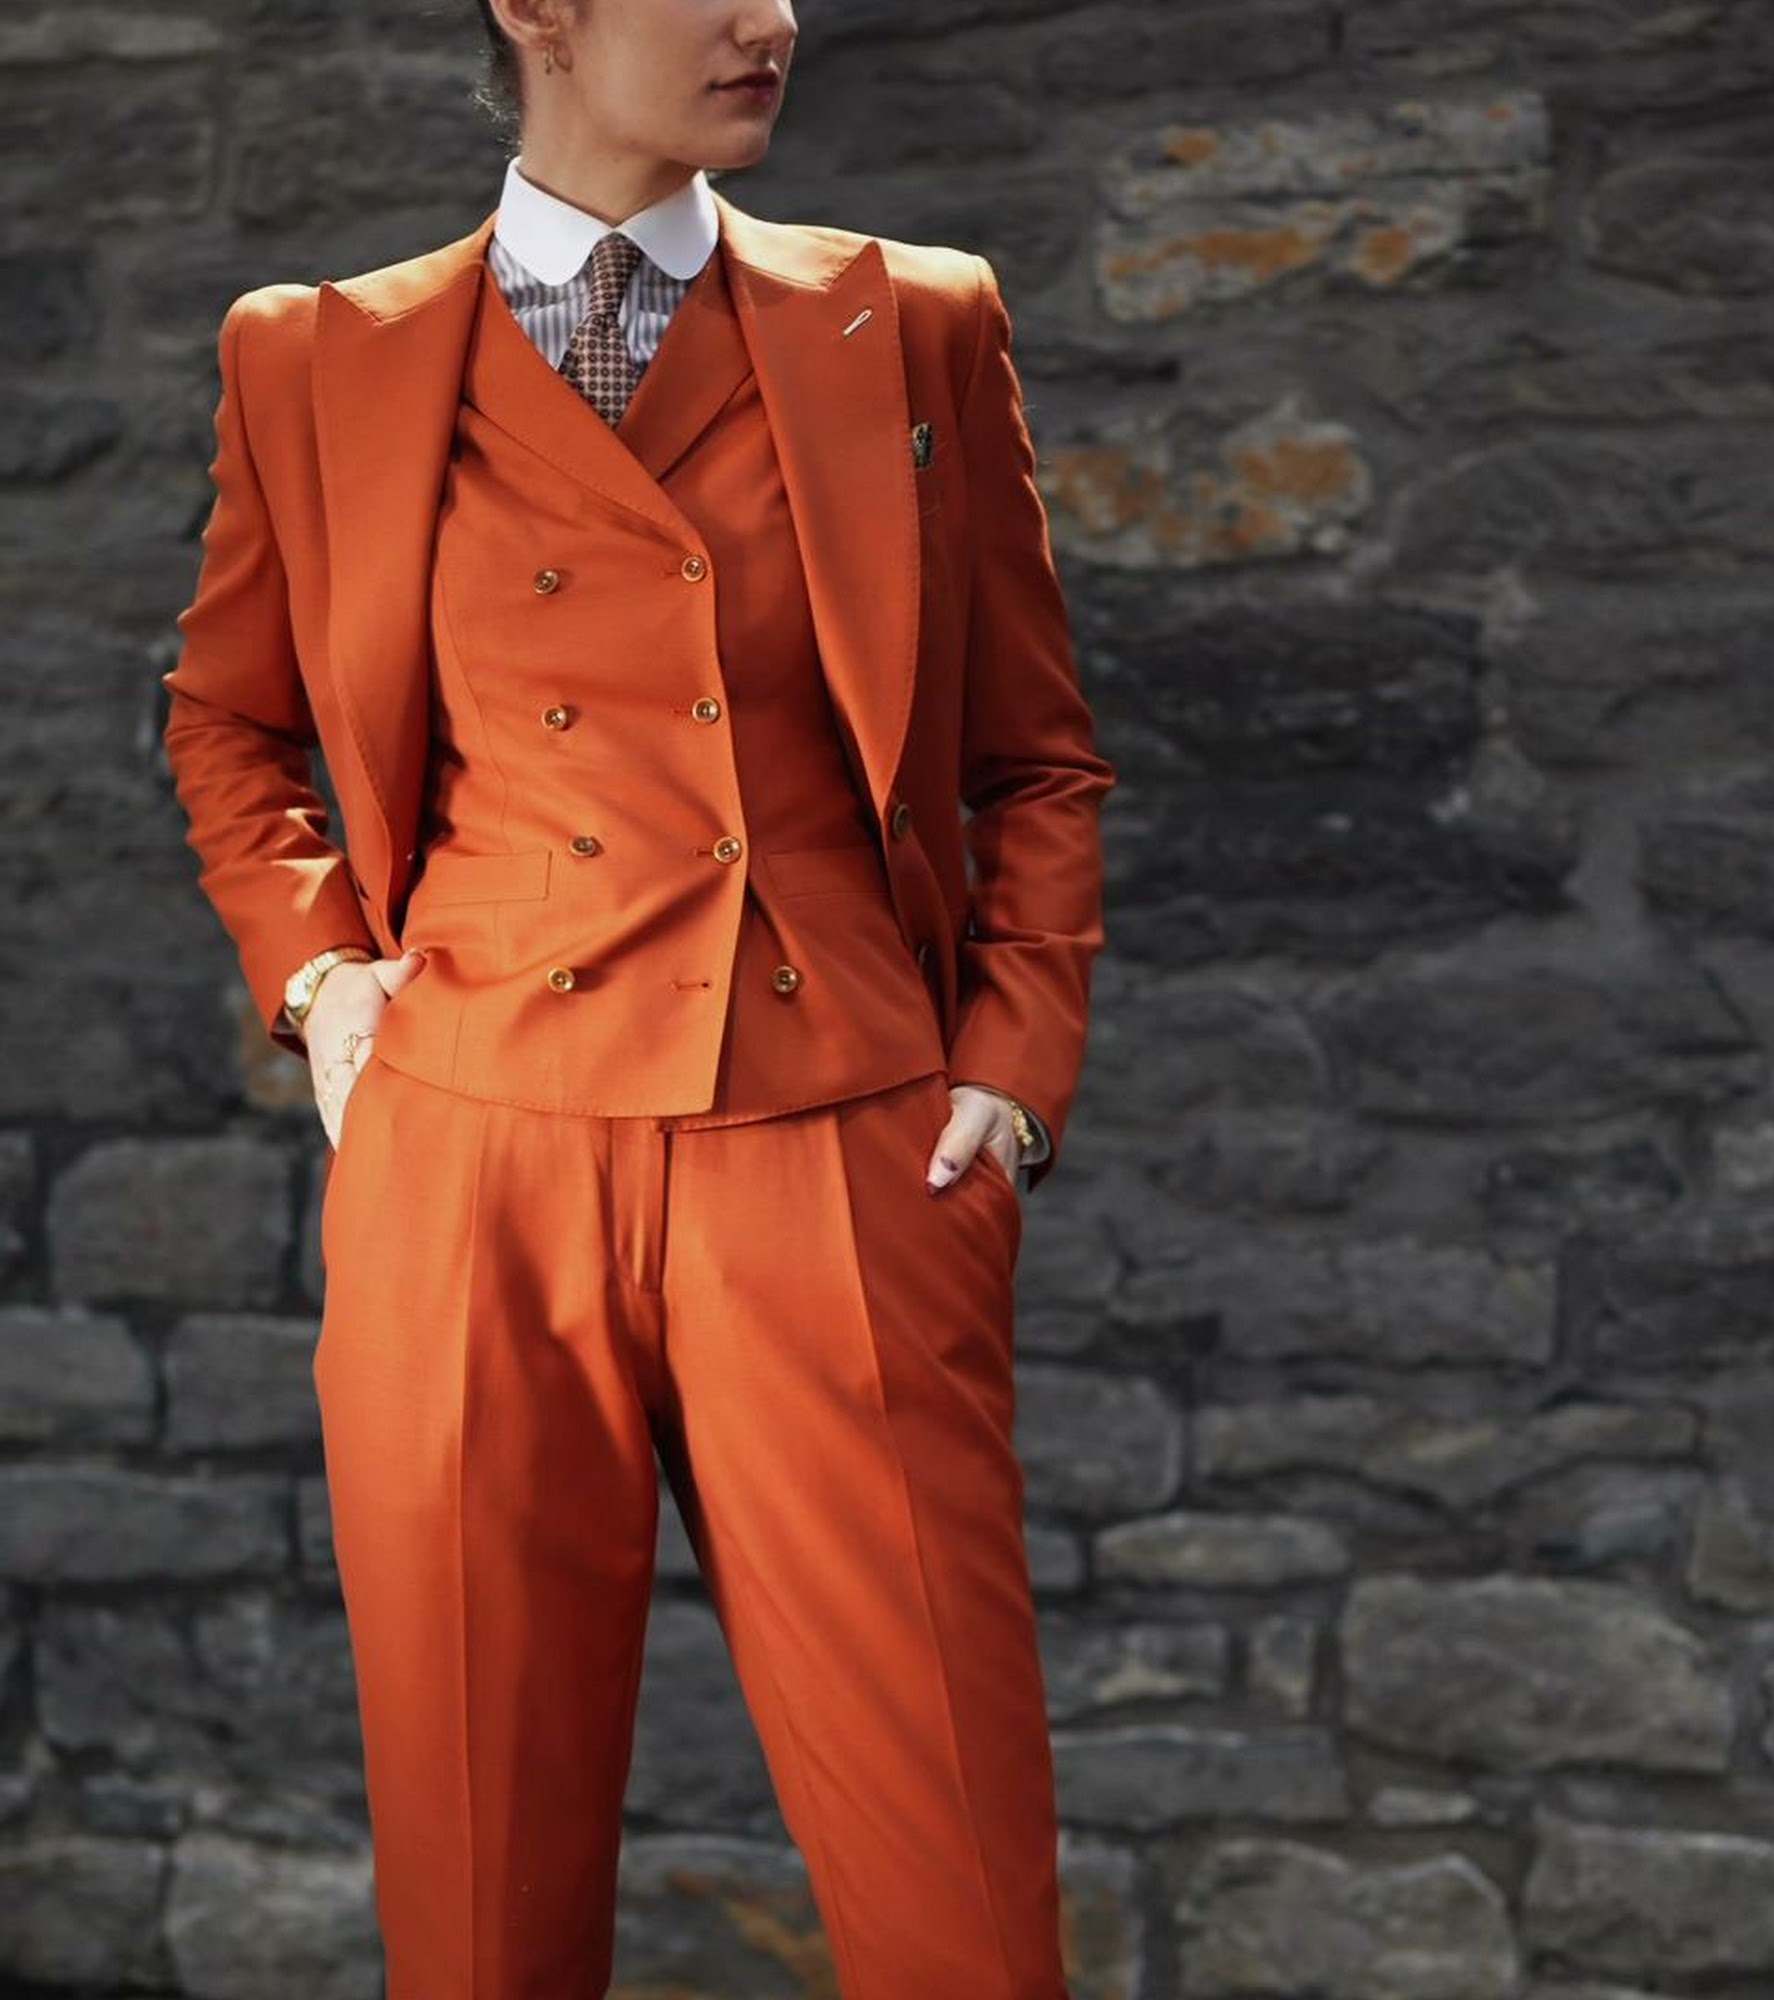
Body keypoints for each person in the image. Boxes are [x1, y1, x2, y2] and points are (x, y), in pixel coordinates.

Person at [159, 0, 1114, 1992]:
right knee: (478, 1903)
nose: (773, 19)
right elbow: (229, 722)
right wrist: (320, 978)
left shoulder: (914, 321)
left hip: (840, 1146)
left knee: (955, 1897)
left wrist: (1013, 1065)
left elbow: (1034, 755)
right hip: (471, 1163)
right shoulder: (312, 353)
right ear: (539, 11)